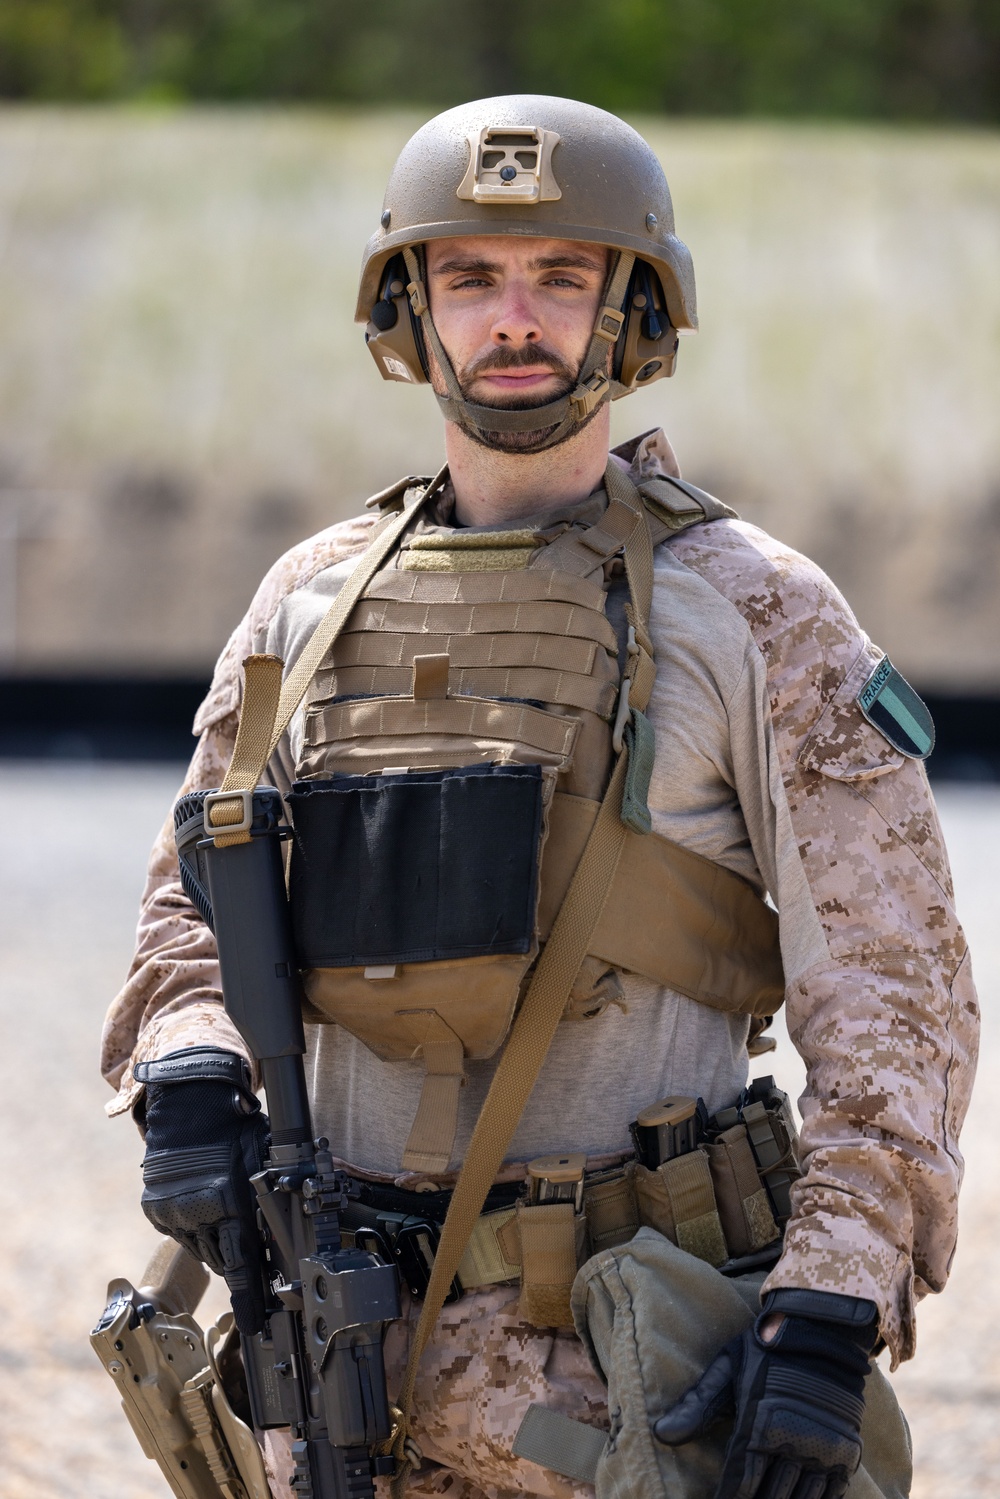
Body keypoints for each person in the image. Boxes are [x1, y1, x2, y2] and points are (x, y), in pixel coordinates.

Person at [102, 96, 978, 1499]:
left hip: (620, 1380)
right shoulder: (310, 605)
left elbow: (896, 992)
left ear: (633, 311)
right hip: (336, 1364)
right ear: (412, 311)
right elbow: (192, 910)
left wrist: (829, 1303)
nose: (517, 320)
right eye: (471, 278)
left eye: (563, 279)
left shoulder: (752, 611)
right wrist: (189, 1068)